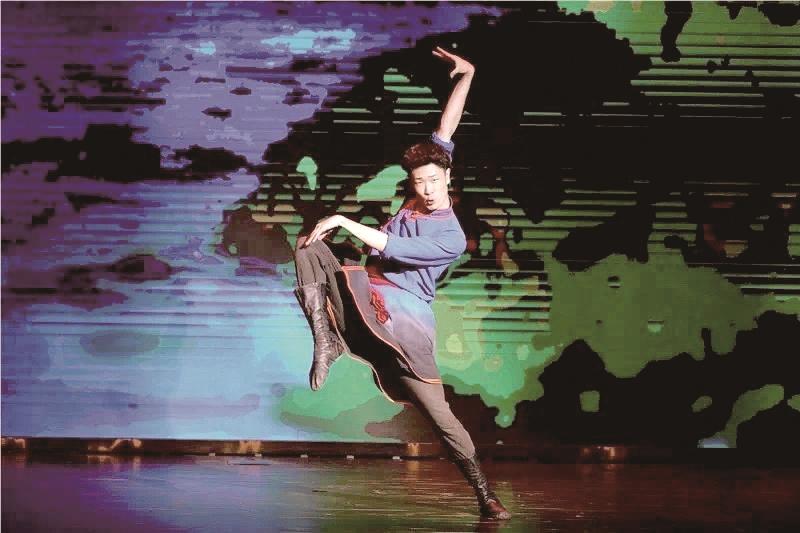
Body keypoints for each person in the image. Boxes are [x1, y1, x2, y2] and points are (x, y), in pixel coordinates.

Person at [293, 47, 511, 521]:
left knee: (439, 415)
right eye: (419, 182)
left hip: (403, 318)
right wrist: (467, 76)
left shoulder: (450, 236)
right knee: (308, 246)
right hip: (364, 293)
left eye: (433, 181)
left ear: (448, 176)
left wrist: (342, 220)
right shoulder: (420, 192)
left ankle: (483, 492)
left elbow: (388, 245)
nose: (426, 190)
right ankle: (325, 341)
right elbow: (447, 128)